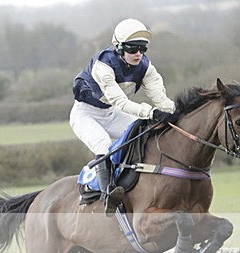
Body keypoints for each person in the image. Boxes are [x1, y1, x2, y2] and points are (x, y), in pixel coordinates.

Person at [70, 18, 175, 214]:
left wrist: (175, 112)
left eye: (143, 48)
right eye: (132, 48)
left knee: (144, 132)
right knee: (102, 143)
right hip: (85, 114)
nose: (138, 54)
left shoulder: (145, 66)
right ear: (118, 47)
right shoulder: (103, 66)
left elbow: (161, 99)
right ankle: (107, 195)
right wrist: (151, 112)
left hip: (111, 113)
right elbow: (120, 102)